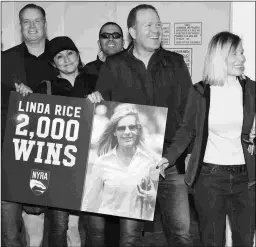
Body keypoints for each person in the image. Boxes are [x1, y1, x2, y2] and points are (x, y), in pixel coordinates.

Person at [87, 4, 193, 247]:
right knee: (130, 238)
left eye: (158, 24)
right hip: (129, 166)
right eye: (149, 25)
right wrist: (94, 103)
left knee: (182, 235)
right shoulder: (114, 65)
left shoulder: (176, 63)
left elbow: (188, 116)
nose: (156, 30)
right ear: (133, 32)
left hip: (170, 163)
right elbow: (103, 116)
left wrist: (173, 155)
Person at [161, 31, 255, 247]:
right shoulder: (200, 91)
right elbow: (187, 130)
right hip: (209, 178)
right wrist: (168, 158)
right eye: (235, 54)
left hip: (247, 179)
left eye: (242, 53)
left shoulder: (252, 90)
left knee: (245, 241)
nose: (242, 59)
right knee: (212, 241)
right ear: (219, 57)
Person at [33, 36, 96, 247]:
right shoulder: (45, 87)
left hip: (92, 165)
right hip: (60, 167)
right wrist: (26, 97)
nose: (66, 59)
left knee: (96, 226)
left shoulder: (96, 82)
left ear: (78, 55)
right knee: (59, 225)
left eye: (70, 53)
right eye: (59, 56)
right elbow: (34, 125)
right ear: (53, 63)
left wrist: (102, 100)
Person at [1, 4, 56, 247]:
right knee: (10, 228)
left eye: (37, 21)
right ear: (20, 25)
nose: (32, 26)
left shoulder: (62, 56)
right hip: (11, 150)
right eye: (26, 21)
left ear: (45, 23)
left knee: (57, 224)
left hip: (52, 151)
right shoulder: (5, 60)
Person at [78, 21, 125, 246]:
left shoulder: (136, 69)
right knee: (95, 224)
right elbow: (77, 109)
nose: (111, 39)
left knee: (125, 221)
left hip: (125, 151)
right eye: (105, 36)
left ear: (124, 40)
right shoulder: (87, 72)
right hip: (95, 155)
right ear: (99, 42)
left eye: (116, 35)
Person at [81, 104, 159, 221]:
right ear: (114, 132)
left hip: (135, 222)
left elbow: (160, 199)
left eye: (132, 127)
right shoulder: (102, 163)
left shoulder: (150, 161)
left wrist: (154, 197)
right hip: (107, 221)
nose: (127, 132)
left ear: (137, 130)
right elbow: (89, 202)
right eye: (121, 128)